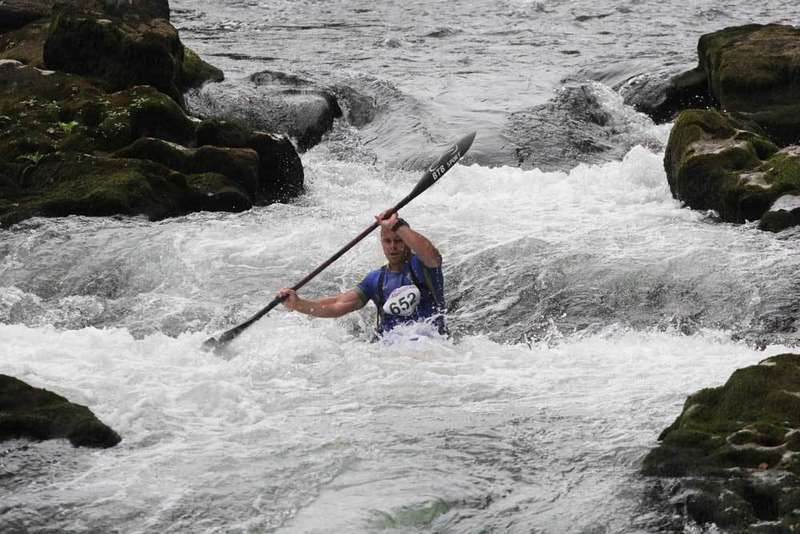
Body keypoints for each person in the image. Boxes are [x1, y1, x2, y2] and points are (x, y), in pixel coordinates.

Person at [277, 211, 447, 338]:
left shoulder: (423, 266)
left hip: (433, 344)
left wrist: (397, 226)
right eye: (388, 241)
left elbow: (431, 253)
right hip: (392, 350)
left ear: (407, 242)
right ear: (382, 243)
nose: (393, 246)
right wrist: (298, 304)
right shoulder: (376, 279)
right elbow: (337, 304)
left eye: (398, 241)